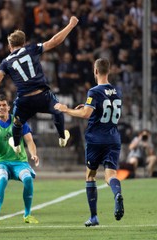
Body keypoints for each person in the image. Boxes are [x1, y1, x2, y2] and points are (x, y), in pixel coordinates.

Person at [0, 16, 79, 151]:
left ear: (9, 46)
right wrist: (71, 25)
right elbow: (54, 41)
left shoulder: (6, 61)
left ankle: (17, 145)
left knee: (17, 122)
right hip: (42, 96)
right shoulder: (31, 49)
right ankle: (61, 136)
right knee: (58, 110)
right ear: (23, 43)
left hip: (25, 100)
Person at [54, 58, 124, 226]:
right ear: (109, 71)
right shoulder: (117, 91)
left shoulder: (94, 91)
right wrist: (87, 107)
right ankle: (117, 194)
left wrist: (66, 110)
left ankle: (94, 217)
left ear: (95, 71)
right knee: (111, 175)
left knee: (90, 175)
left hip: (95, 139)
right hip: (113, 138)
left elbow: (86, 114)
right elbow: (96, 109)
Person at [0, 94, 39, 225]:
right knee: (2, 178)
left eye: (4, 105)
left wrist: (33, 154)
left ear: (8, 107)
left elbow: (30, 141)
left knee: (28, 179)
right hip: (1, 162)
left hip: (20, 162)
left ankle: (27, 214)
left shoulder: (18, 122)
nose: (1, 108)